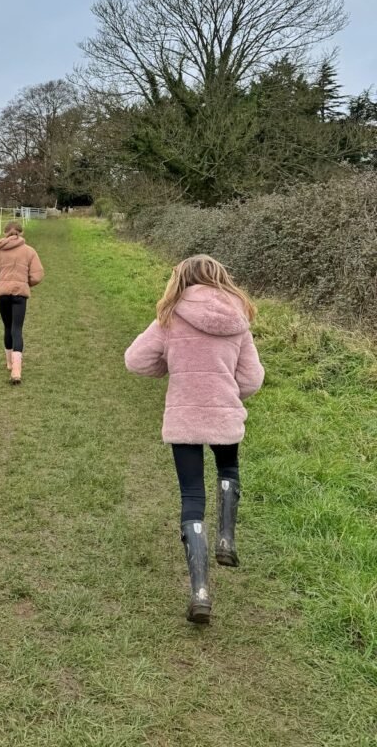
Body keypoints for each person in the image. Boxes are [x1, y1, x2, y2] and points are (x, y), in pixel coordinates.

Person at [124, 255, 264, 624]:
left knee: (191, 496)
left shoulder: (169, 317)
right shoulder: (239, 320)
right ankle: (226, 540)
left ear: (182, 279)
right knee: (228, 466)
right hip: (224, 412)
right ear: (221, 278)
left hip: (184, 415)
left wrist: (170, 368)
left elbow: (136, 360)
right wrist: (228, 392)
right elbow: (252, 379)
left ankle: (200, 591)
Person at [0, 221, 44, 385]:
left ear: (5, 233)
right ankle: (17, 370)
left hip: (3, 294)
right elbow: (37, 275)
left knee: (7, 327)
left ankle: (9, 363)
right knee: (17, 329)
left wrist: (0, 282)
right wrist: (25, 283)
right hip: (20, 294)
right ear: (21, 232)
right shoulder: (29, 251)